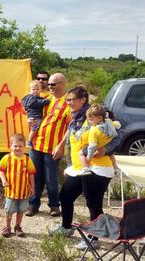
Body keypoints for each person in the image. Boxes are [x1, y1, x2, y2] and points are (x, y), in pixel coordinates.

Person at [49, 86, 120, 251]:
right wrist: (64, 152)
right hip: (80, 167)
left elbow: (118, 136)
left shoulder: (95, 115)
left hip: (97, 168)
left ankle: (94, 238)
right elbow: (71, 136)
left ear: (83, 100)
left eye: (72, 99)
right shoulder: (75, 117)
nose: (69, 102)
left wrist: (106, 149)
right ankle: (67, 228)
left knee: (93, 202)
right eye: (67, 100)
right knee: (65, 196)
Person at [25, 73, 71, 217]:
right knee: (35, 176)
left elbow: (70, 128)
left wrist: (61, 146)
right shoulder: (45, 99)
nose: (49, 86)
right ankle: (33, 204)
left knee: (51, 178)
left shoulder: (68, 103)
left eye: (53, 84)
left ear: (62, 84)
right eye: (48, 84)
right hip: (36, 144)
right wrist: (30, 119)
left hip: (53, 148)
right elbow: (29, 107)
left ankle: (54, 205)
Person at [0, 134, 35, 238]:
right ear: (10, 146)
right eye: (15, 146)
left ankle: (18, 227)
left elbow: (31, 174)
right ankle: (7, 227)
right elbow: (1, 170)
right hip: (11, 191)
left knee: (21, 210)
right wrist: (4, 180)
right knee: (9, 210)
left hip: (24, 191)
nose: (17, 148)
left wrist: (33, 187)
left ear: (24, 147)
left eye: (20, 146)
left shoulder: (27, 160)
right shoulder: (7, 158)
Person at [78, 104, 120, 175]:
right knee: (111, 154)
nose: (89, 122)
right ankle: (115, 167)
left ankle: (85, 168)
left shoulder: (94, 130)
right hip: (107, 144)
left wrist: (89, 156)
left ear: (100, 118)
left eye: (91, 120)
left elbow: (92, 145)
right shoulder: (108, 122)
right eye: (88, 119)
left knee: (80, 153)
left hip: (97, 146)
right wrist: (118, 124)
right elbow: (116, 124)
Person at [21, 80, 50, 148]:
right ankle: (29, 141)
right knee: (35, 129)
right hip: (34, 116)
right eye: (33, 89)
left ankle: (31, 141)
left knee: (36, 129)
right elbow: (35, 103)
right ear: (30, 90)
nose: (35, 91)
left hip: (33, 116)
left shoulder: (32, 97)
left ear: (41, 90)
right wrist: (45, 101)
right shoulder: (32, 97)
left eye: (37, 89)